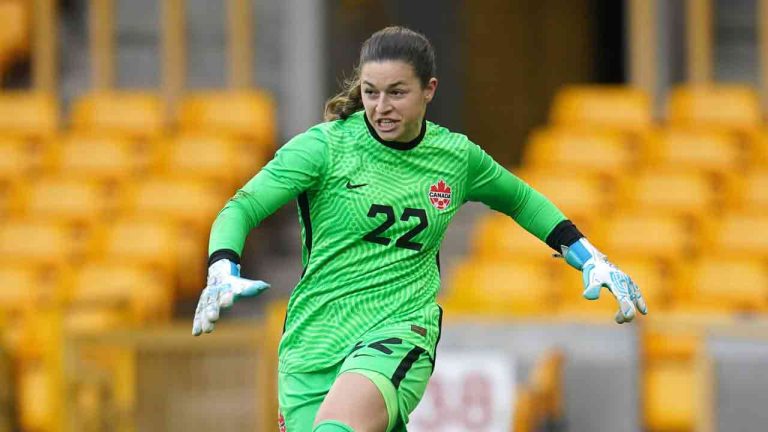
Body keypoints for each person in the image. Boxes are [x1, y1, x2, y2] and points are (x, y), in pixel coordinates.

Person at [192, 26, 647, 432]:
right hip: (313, 341)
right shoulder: (323, 148)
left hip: (398, 330)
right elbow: (242, 207)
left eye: (397, 93)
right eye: (371, 92)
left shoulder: (456, 157)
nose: (381, 107)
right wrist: (222, 265)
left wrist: (590, 258)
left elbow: (521, 200)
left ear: (429, 90)